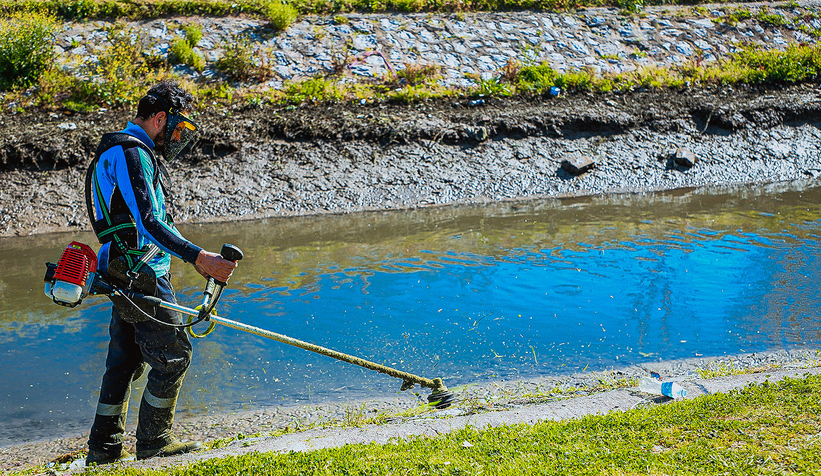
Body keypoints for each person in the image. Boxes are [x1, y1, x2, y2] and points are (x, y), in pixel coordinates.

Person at [84, 80, 237, 465]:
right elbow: (149, 221)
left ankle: (103, 451)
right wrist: (199, 257)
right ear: (159, 118)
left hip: (121, 267)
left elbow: (148, 221)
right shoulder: (132, 152)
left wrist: (189, 254)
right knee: (174, 356)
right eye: (177, 128)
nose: (177, 137)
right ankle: (154, 442)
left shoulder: (118, 150)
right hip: (140, 271)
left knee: (125, 360)